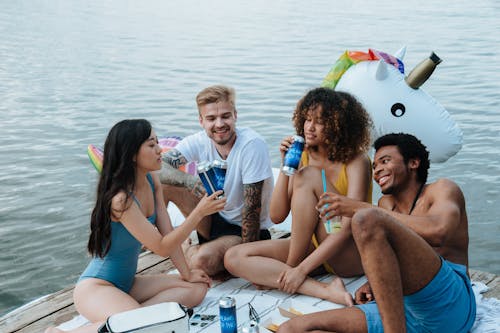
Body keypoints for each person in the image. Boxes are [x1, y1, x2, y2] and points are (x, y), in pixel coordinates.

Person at [277, 133, 476, 333]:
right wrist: (372, 284)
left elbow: (438, 231)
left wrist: (358, 207)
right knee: (291, 328)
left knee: (366, 219)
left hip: (448, 305)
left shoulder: (441, 189)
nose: (377, 170)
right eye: (374, 166)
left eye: (385, 161)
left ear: (414, 162)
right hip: (401, 309)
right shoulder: (386, 205)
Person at [45, 119, 225, 333]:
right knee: (141, 325)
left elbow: (168, 232)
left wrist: (186, 273)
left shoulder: (151, 180)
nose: (160, 150)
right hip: (97, 287)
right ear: (132, 154)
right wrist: (199, 213)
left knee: (197, 289)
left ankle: (123, 318)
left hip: (128, 283)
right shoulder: (121, 200)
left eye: (157, 142)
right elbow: (161, 246)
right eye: (151, 145)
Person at [224, 87, 373, 306]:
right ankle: (325, 290)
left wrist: (298, 269)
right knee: (234, 257)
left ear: (339, 125)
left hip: (348, 250)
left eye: (320, 122)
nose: (310, 127)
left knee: (311, 175)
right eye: (307, 119)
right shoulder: (302, 155)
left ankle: (289, 273)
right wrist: (287, 166)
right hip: (312, 248)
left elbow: (349, 227)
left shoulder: (356, 160)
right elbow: (276, 216)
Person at [159, 85, 274, 278]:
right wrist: (189, 181)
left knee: (200, 262)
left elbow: (252, 210)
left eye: (225, 116)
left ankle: (185, 249)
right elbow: (159, 166)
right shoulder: (198, 140)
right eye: (211, 118)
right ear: (201, 121)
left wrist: (246, 260)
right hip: (212, 217)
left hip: (244, 232)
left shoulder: (252, 145)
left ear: (235, 115)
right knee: (163, 182)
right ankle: (162, 240)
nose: (219, 124)